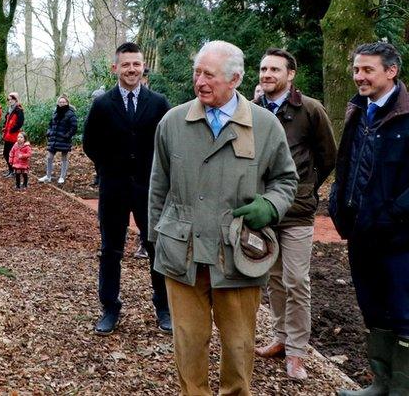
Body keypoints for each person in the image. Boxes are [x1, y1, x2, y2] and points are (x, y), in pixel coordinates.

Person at [149, 40, 297, 395]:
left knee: (238, 345)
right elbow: (159, 185)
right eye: (197, 72)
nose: (200, 81)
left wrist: (271, 206)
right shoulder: (173, 122)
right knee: (188, 344)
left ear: (235, 79)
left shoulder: (264, 126)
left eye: (209, 75)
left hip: (237, 253)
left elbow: (286, 180)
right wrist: (156, 238)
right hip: (182, 253)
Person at [330, 42, 409, 396]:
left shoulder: (406, 115)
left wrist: (394, 215)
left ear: (391, 71)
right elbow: (346, 163)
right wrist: (337, 204)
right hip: (361, 233)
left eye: (367, 70)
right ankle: (380, 383)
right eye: (356, 70)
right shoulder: (357, 111)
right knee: (374, 311)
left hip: (399, 239)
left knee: (404, 315)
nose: (358, 77)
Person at [253, 48, 336, 381]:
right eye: (263, 68)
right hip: (264, 209)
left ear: (290, 75)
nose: (267, 74)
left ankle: (298, 353)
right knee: (273, 278)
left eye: (275, 69)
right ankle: (281, 338)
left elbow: (327, 155)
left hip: (298, 210)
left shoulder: (311, 109)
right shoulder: (253, 109)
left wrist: (308, 189)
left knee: (297, 280)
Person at [83, 42, 173, 335]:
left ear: (143, 66)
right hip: (114, 188)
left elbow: (168, 143)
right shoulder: (102, 104)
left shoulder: (158, 103)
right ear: (115, 68)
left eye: (136, 64)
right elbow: (90, 143)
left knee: (155, 247)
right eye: (126, 64)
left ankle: (164, 307)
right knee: (111, 249)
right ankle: (110, 307)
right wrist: (110, 166)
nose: (132, 69)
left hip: (149, 188)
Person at [39, 95, 77, 185]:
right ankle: (48, 176)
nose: (62, 103)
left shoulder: (71, 114)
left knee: (64, 158)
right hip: (53, 139)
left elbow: (74, 127)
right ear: (58, 103)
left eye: (64, 102)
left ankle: (62, 177)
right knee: (49, 157)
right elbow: (50, 124)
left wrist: (67, 135)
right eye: (60, 102)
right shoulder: (55, 112)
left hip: (64, 140)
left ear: (67, 103)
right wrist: (49, 132)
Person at [2, 92, 25, 177]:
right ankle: (11, 170)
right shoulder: (9, 109)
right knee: (5, 153)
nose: (10, 101)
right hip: (8, 135)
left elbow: (20, 122)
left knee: (12, 154)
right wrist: (4, 127)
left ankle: (14, 171)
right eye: (9, 99)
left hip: (14, 135)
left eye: (11, 99)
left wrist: (12, 129)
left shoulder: (19, 110)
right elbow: (6, 120)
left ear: (15, 100)